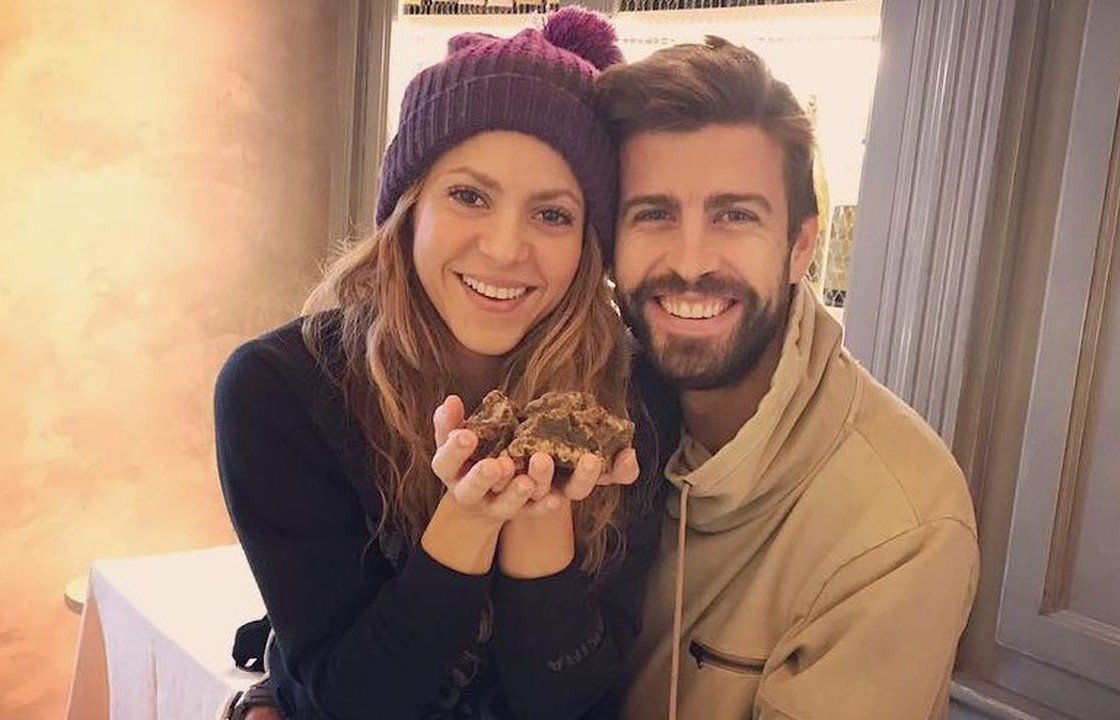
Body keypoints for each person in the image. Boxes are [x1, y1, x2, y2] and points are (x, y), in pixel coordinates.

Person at [214, 8, 670, 719]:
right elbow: (352, 699)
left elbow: (566, 701)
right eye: (469, 195)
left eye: (552, 215)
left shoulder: (630, 398)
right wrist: (466, 523)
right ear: (409, 205)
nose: (503, 248)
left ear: (589, 244)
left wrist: (541, 521)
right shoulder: (281, 391)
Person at [594, 37, 980, 719]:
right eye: (653, 213)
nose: (689, 261)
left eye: (735, 215)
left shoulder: (899, 523)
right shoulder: (577, 415)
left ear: (802, 245)